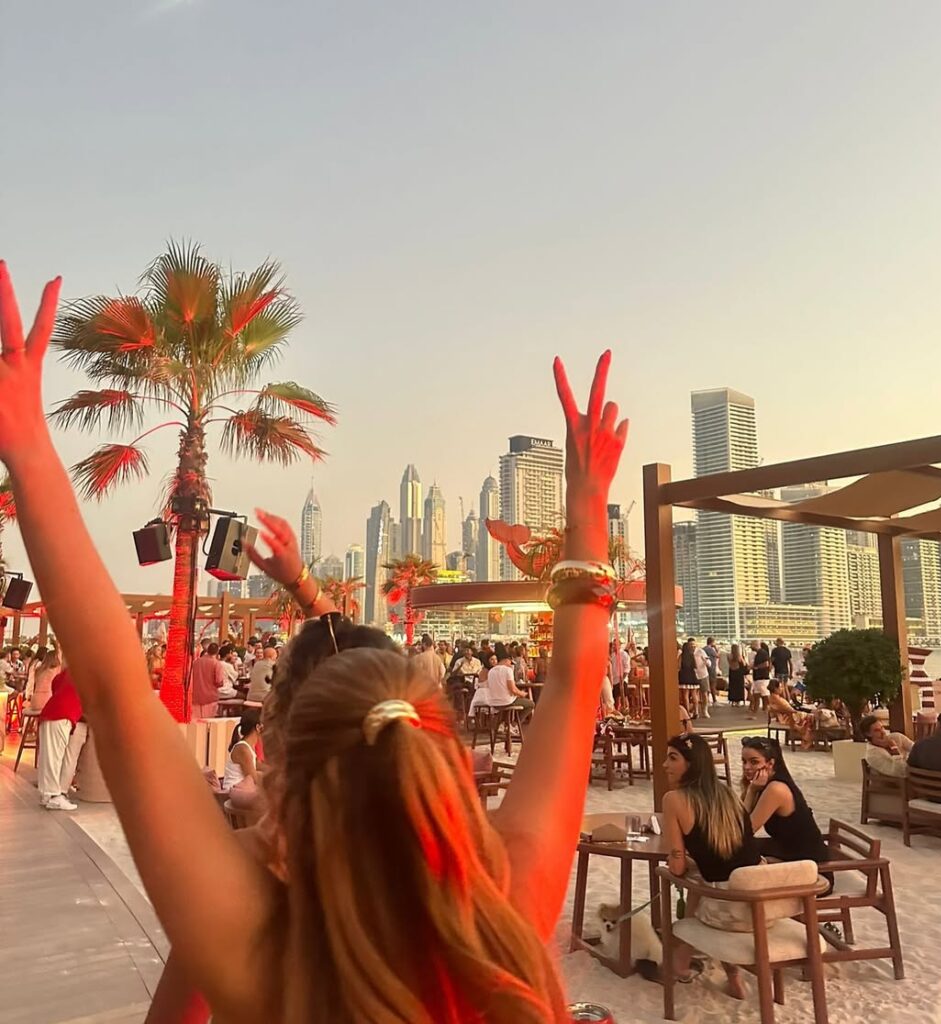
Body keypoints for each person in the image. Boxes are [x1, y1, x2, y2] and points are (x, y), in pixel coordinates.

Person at [1, 272, 628, 1022]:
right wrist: (588, 501)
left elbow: (113, 691)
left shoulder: (263, 955)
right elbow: (574, 688)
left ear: (285, 773)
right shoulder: (507, 915)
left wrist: (27, 446)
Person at [662, 733, 761, 997]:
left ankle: (680, 960)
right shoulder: (728, 794)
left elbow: (676, 867)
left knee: (699, 884)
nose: (665, 764)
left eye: (672, 758)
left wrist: (680, 860)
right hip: (761, 906)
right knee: (708, 880)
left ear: (691, 763)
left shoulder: (674, 799)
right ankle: (729, 974)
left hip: (724, 912)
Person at [740, 736, 830, 868]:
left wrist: (752, 791)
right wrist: (752, 790)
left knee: (737, 854)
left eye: (754, 762)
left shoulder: (776, 789)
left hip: (808, 865)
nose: (747, 767)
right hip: (787, 852)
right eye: (744, 761)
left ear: (770, 763)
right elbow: (738, 822)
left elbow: (744, 830)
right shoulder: (763, 784)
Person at [37, 667, 86, 810]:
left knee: (48, 756)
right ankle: (54, 796)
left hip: (51, 711)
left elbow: (56, 682)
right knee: (55, 757)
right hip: (63, 714)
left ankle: (47, 795)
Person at [486, 642, 535, 723]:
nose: (510, 664)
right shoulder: (507, 670)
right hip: (506, 701)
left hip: (493, 702)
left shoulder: (491, 671)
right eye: (510, 662)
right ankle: (515, 724)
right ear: (507, 660)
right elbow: (513, 689)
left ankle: (504, 724)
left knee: (512, 702)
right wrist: (522, 694)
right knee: (530, 704)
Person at [768, 678, 814, 750]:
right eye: (780, 687)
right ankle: (806, 740)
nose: (782, 689)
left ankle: (805, 738)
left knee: (808, 716)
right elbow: (790, 710)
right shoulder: (778, 699)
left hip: (785, 716)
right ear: (775, 689)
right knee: (811, 718)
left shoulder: (773, 697)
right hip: (787, 717)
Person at [223, 708, 262, 791]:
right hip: (233, 792)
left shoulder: (249, 746)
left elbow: (257, 765)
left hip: (242, 790)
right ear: (258, 727)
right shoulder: (243, 749)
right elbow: (253, 778)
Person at [190, 642, 226, 719]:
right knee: (209, 722)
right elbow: (219, 682)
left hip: (195, 697)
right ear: (217, 652)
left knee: (197, 722)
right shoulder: (216, 664)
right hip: (210, 698)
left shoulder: (196, 662)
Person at [678, 639, 700, 717]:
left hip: (684, 676)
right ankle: (696, 711)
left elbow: (678, 667)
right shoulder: (692, 655)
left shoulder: (681, 656)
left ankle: (687, 713)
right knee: (694, 695)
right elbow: (696, 666)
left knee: (685, 695)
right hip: (692, 676)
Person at [748, 640, 771, 717]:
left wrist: (756, 667)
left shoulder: (762, 653)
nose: (751, 647)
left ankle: (767, 709)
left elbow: (766, 664)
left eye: (752, 645)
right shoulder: (758, 653)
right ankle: (756, 711)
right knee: (757, 695)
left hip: (762, 677)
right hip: (758, 678)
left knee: (765, 695)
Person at [702, 637, 719, 706]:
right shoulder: (711, 649)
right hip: (712, 669)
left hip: (705, 669)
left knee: (706, 685)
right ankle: (714, 700)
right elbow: (717, 655)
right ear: (712, 642)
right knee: (713, 685)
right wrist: (716, 648)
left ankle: (707, 700)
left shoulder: (703, 649)